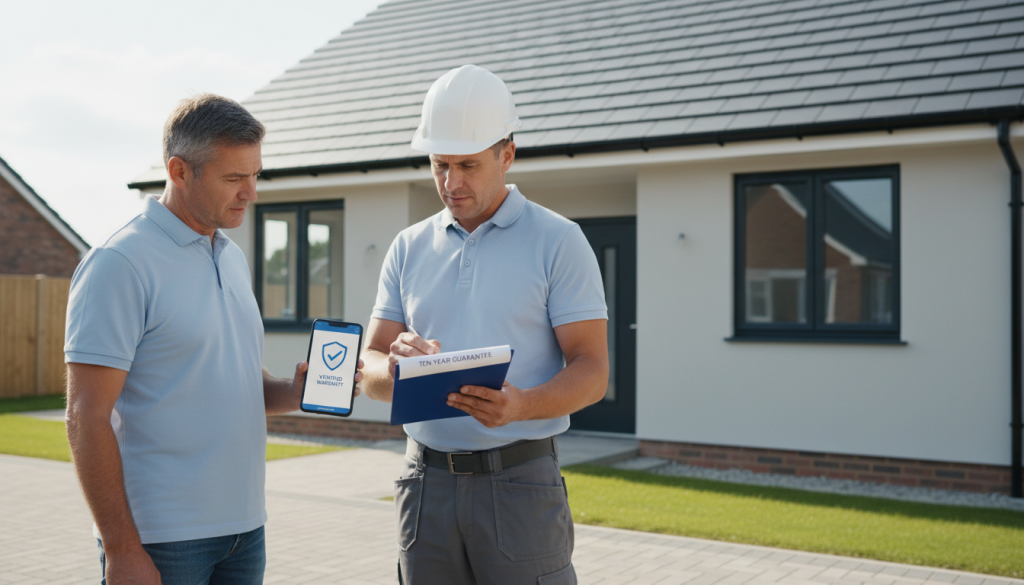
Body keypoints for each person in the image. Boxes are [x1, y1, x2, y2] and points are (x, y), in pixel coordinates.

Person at [64, 93, 361, 585]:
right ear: (179, 171)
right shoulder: (119, 264)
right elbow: (84, 416)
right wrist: (120, 548)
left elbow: (233, 379)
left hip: (245, 530)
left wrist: (296, 392)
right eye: (233, 178)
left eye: (255, 175)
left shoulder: (231, 256)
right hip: (163, 539)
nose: (251, 193)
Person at [361, 65, 609, 585]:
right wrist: (396, 366)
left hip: (520, 483)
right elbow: (370, 365)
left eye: (468, 165)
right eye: (439, 165)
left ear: (507, 154)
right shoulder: (408, 247)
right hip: (424, 485)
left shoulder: (559, 242)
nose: (451, 183)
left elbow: (591, 371)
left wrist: (521, 406)